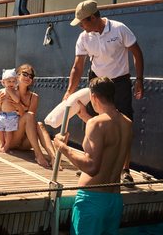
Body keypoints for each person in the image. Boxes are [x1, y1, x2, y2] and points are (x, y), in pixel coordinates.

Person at [64, 0, 144, 183]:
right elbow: (77, 67)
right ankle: (90, 161)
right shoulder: (84, 37)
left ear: (92, 18)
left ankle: (125, 170)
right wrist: (70, 91)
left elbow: (137, 53)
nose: (80, 26)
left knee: (124, 121)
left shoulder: (119, 29)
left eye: (82, 22)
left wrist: (139, 80)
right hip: (97, 81)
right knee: (92, 121)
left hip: (120, 81)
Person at [54, 77, 133, 235]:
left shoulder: (96, 124)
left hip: (92, 200)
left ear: (94, 97)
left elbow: (91, 167)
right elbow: (110, 140)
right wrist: (86, 118)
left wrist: (63, 148)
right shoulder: (127, 123)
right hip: (114, 201)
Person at [0, 64, 56, 168]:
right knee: (29, 116)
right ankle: (38, 155)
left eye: (31, 76)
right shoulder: (7, 92)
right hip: (11, 139)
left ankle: (54, 158)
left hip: (25, 143)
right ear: (17, 76)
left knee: (39, 124)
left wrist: (18, 106)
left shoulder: (34, 97)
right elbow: (2, 115)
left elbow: (30, 119)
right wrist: (0, 105)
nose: (28, 77)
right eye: (25, 74)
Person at [0, 68, 20, 153]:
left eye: (13, 81)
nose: (11, 83)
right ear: (3, 82)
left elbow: (17, 100)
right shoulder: (1, 91)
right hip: (2, 115)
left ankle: (7, 145)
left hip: (11, 115)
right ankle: (2, 142)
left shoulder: (16, 92)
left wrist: (11, 92)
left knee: (9, 132)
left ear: (16, 82)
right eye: (9, 81)